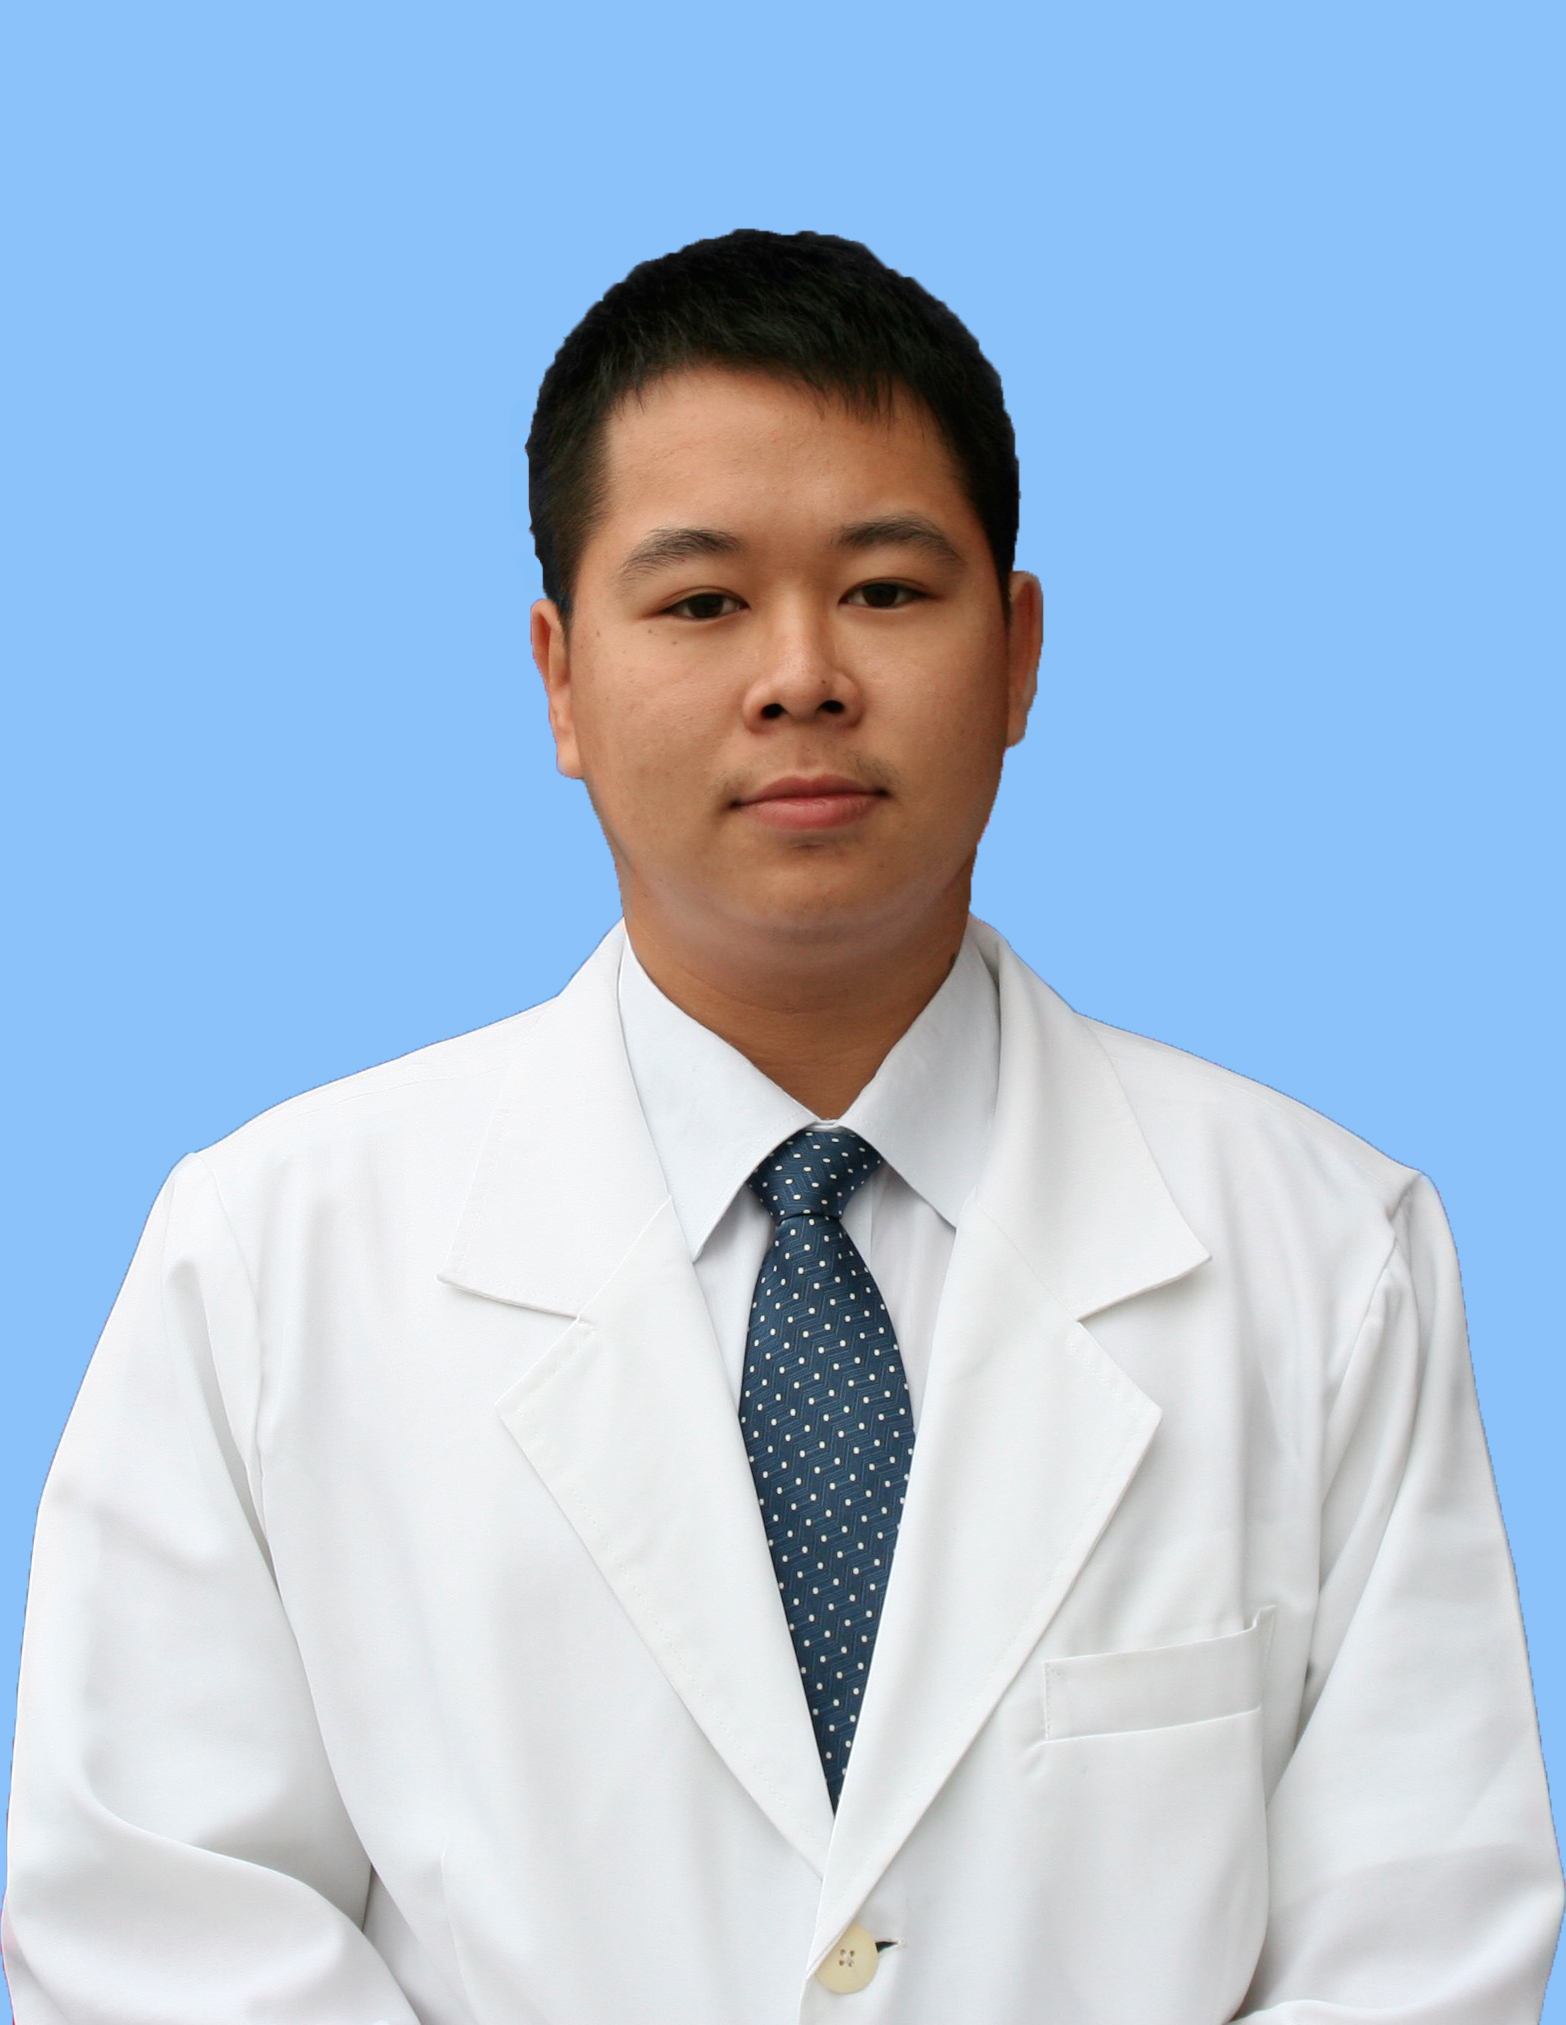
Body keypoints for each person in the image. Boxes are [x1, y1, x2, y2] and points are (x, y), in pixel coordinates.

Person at [3, 229, 1559, 2024]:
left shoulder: (1328, 1252)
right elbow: (157, 1924)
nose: (801, 676)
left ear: (1018, 653)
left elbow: (1416, 1934)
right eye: (699, 604)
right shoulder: (269, 1256)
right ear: (560, 677)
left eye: (886, 590)